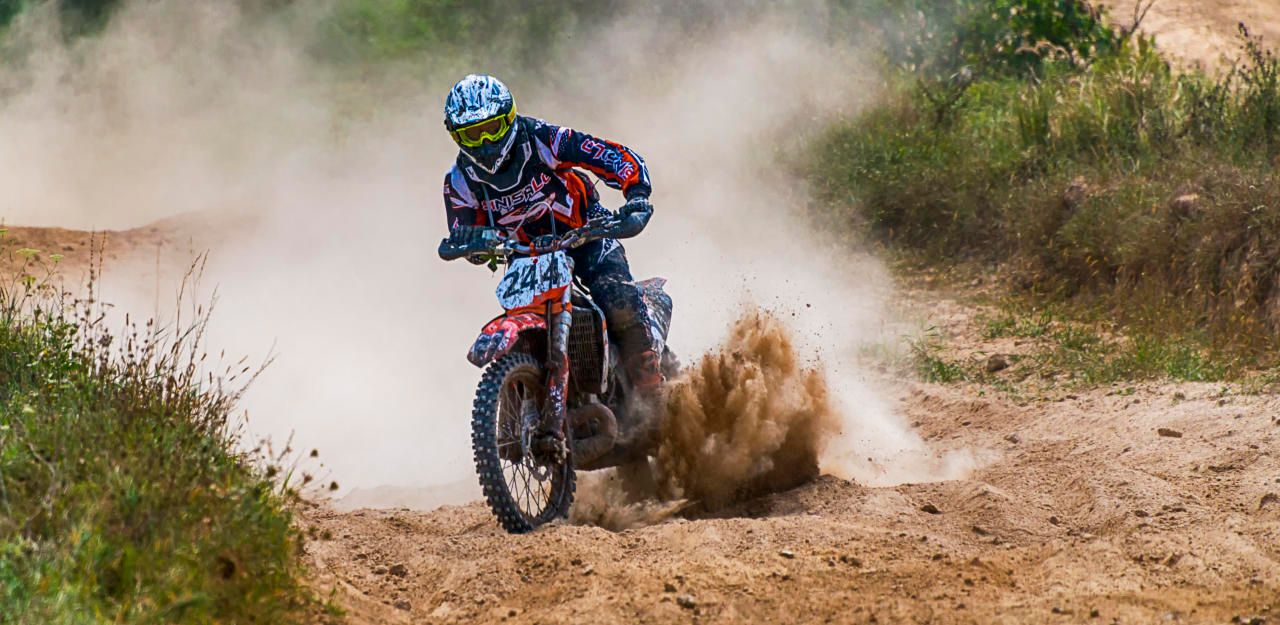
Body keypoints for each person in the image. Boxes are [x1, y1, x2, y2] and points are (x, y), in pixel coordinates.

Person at [438, 74, 663, 395]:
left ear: (510, 119)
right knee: (519, 314)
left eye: (492, 129)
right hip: (524, 254)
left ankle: (651, 390)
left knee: (618, 300)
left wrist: (637, 195)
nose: (486, 143)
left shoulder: (543, 139)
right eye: (473, 134)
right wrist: (472, 245)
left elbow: (608, 155)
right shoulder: (459, 181)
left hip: (585, 231)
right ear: (456, 136)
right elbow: (461, 232)